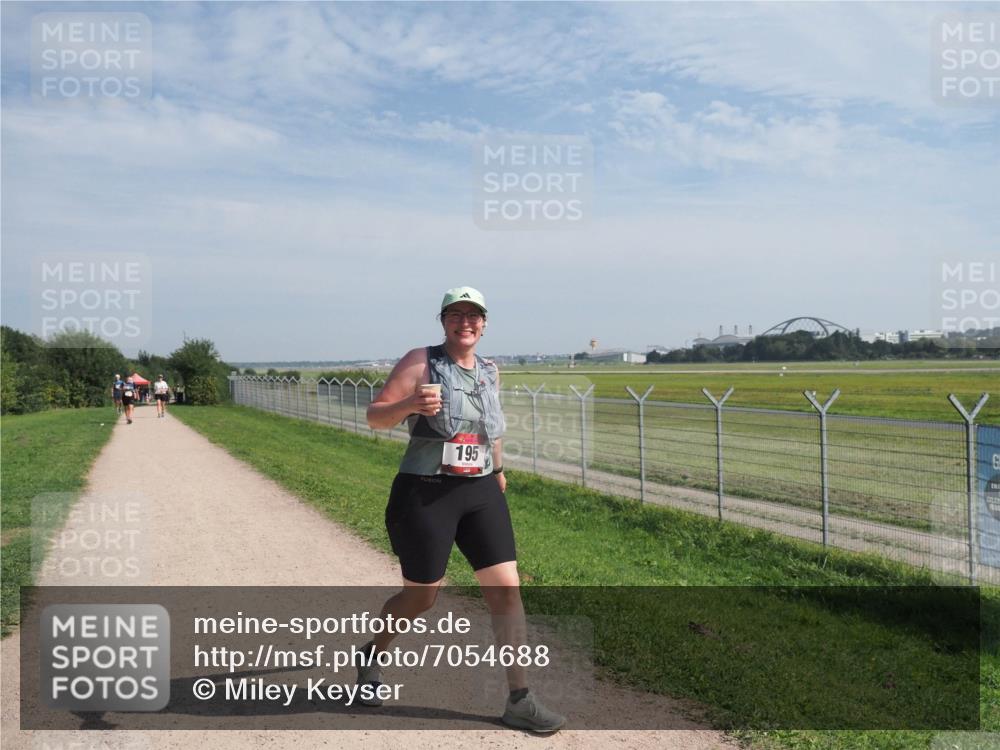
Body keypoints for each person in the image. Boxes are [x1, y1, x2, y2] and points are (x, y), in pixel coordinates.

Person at [363, 287, 565, 733]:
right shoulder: (421, 361)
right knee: (422, 596)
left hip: (480, 491)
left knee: (506, 590)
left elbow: (489, 426)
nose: (465, 322)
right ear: (443, 321)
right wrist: (409, 405)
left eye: (473, 315)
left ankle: (519, 699)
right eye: (456, 315)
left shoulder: (490, 371)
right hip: (425, 491)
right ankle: (373, 655)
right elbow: (375, 415)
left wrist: (499, 468)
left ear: (485, 323)